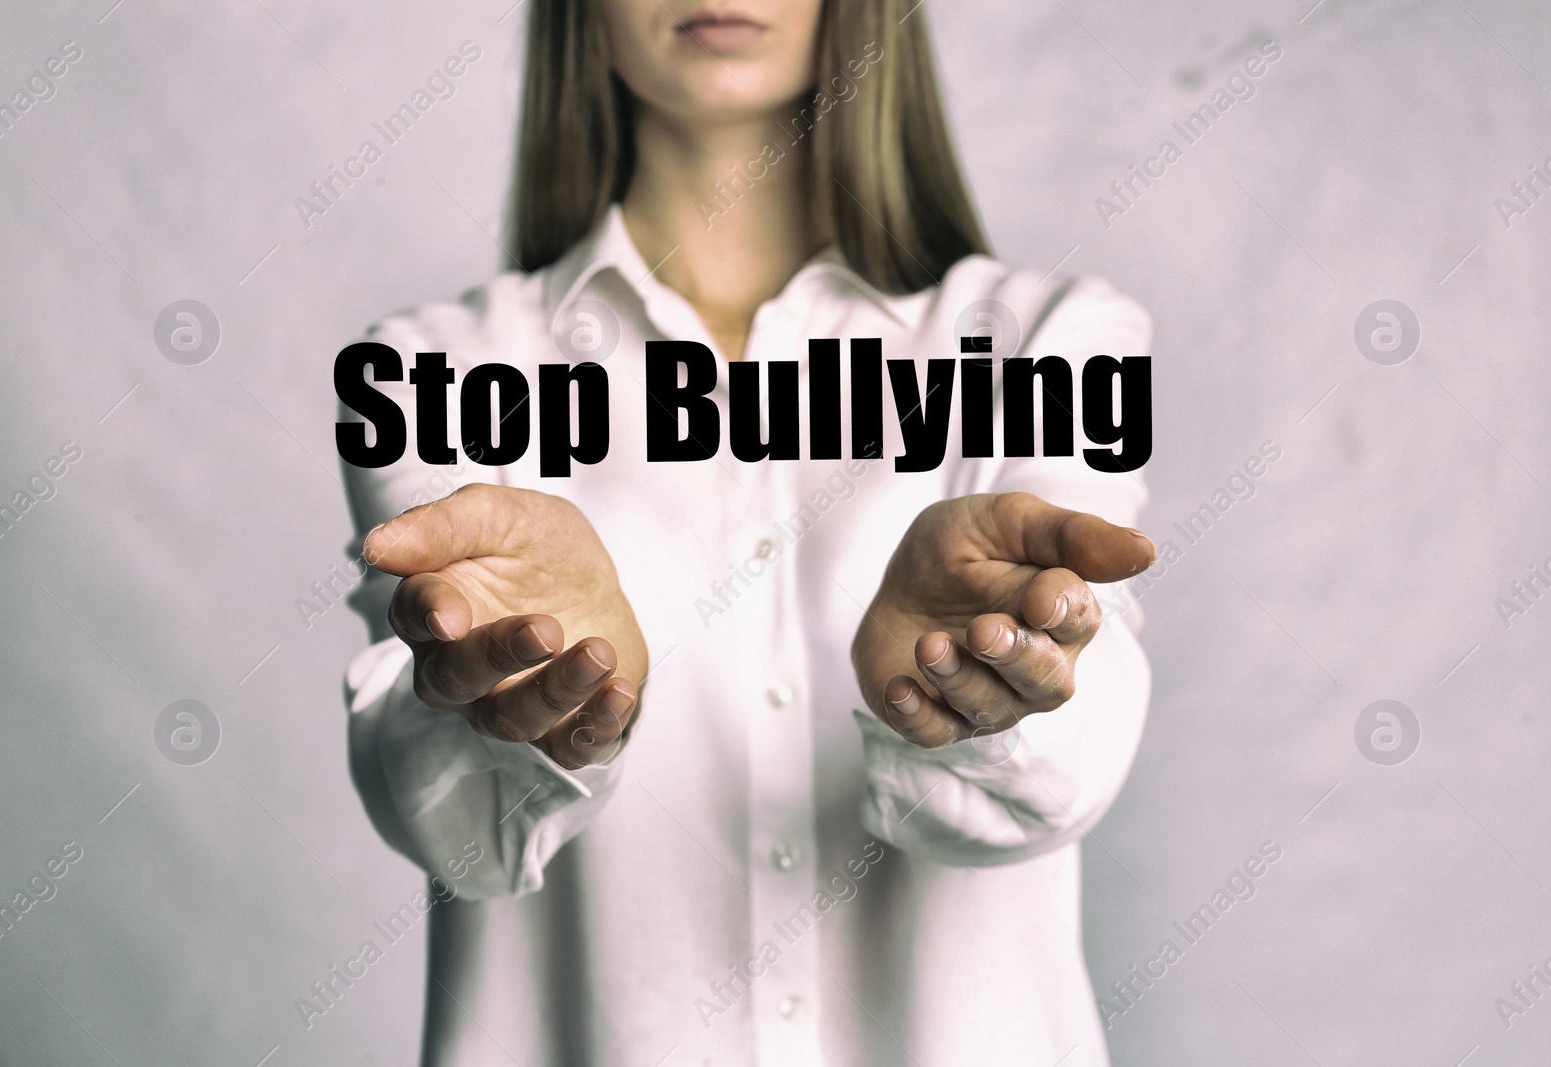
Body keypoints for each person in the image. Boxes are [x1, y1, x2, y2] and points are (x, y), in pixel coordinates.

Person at [340, 1, 1157, 1063]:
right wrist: (549, 703)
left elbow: (1066, 774)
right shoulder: (435, 371)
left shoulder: (1047, 342)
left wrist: (966, 686)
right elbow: (451, 827)